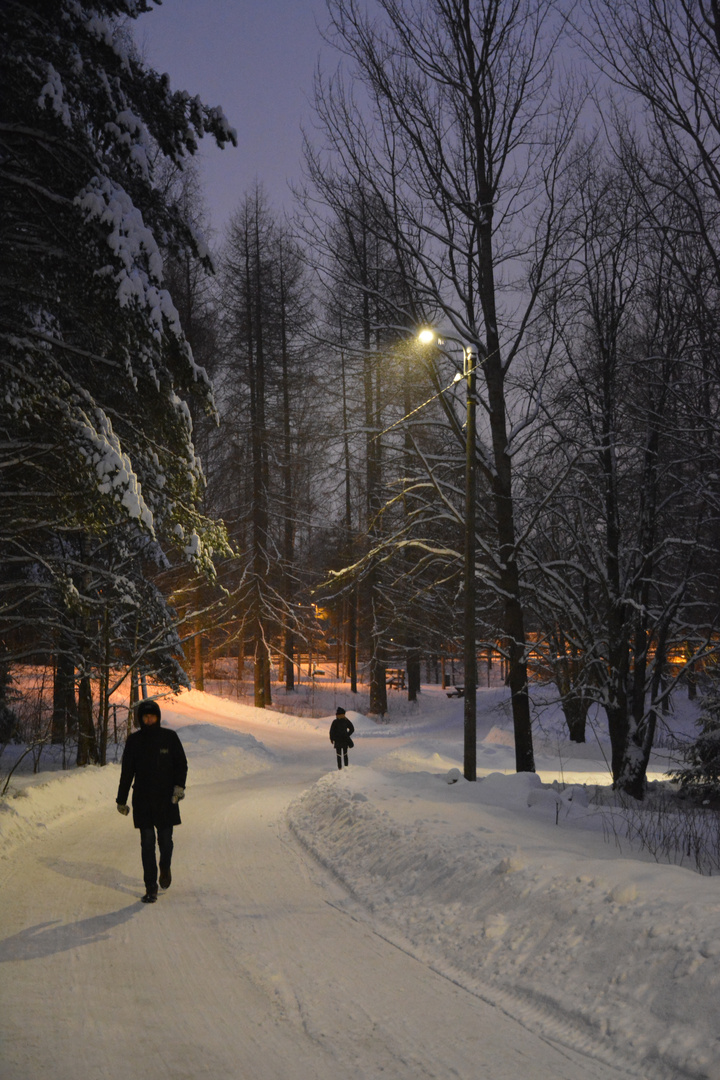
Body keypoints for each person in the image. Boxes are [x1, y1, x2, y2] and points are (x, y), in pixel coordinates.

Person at [116, 700, 188, 904]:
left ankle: (165, 867)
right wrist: (121, 800)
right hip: (143, 800)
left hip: (166, 799)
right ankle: (150, 887)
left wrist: (179, 787)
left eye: (152, 716)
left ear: (158, 717)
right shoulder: (134, 741)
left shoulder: (169, 738)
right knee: (147, 843)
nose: (149, 720)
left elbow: (181, 764)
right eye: (145, 717)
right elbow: (127, 772)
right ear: (141, 719)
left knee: (165, 842)